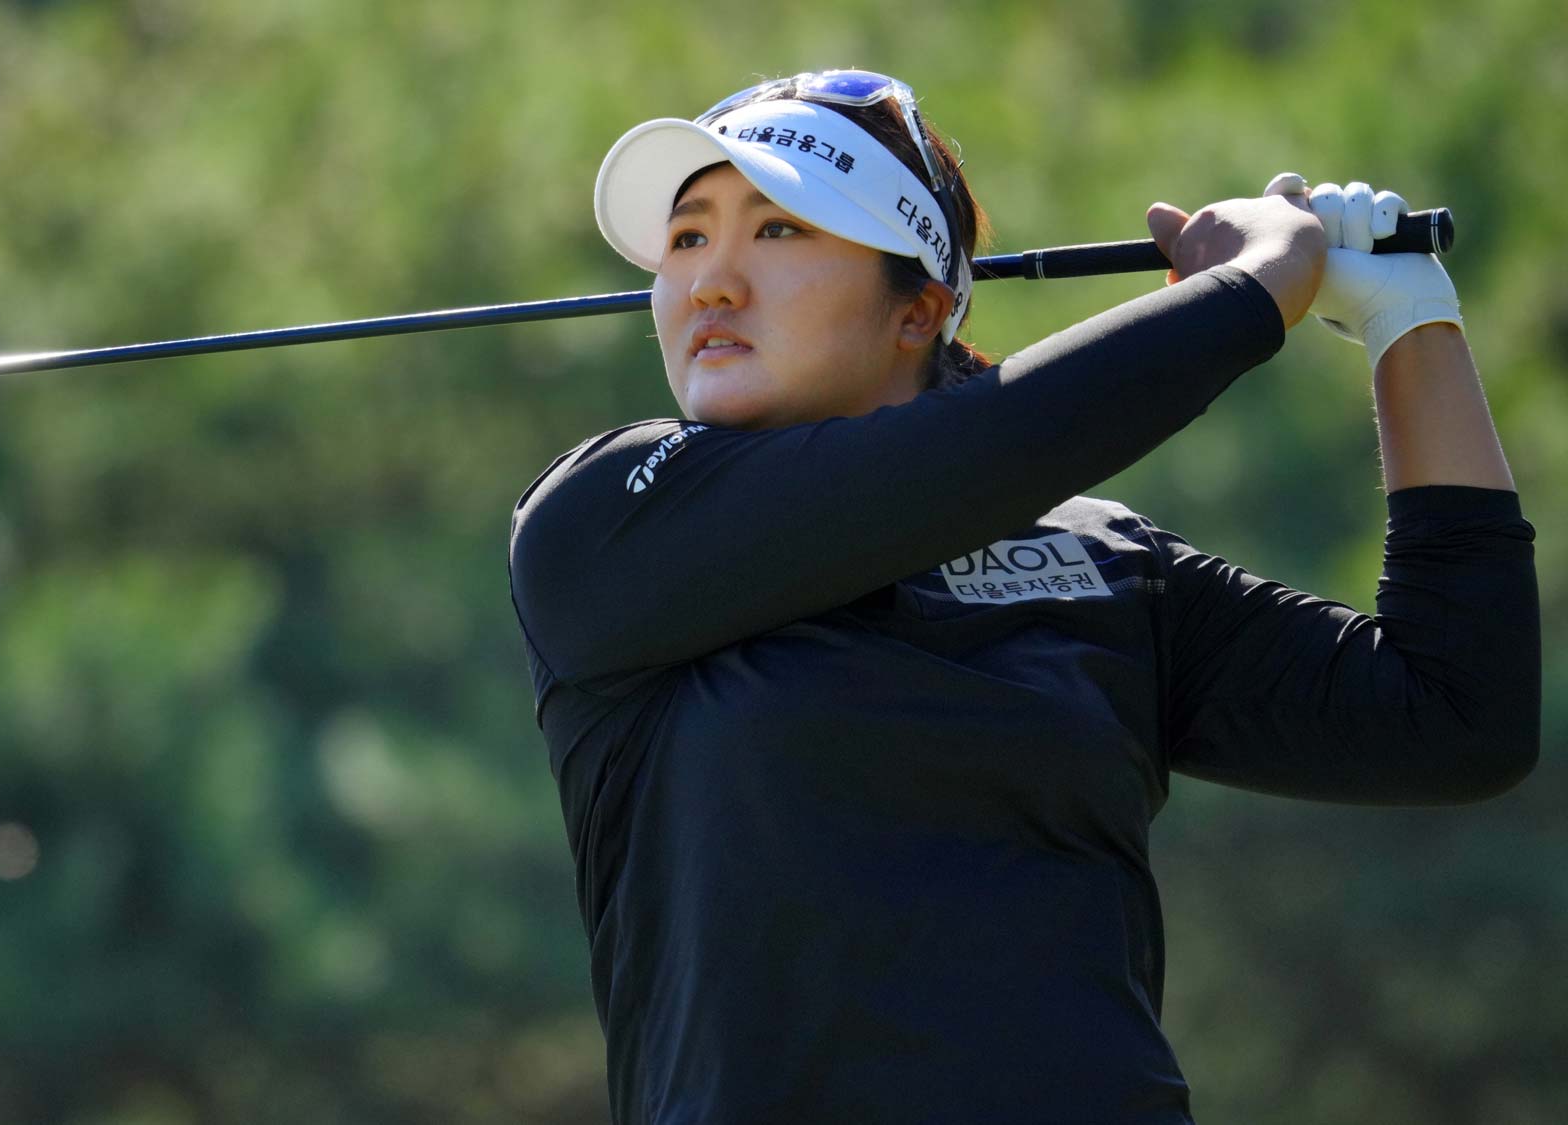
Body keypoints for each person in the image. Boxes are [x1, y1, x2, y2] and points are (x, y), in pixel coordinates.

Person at [505, 70, 1538, 1124]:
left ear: (916, 309)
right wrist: (1249, 290)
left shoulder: (1097, 560)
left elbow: (1452, 717)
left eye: (777, 232)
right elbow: (984, 447)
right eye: (686, 240)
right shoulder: (602, 526)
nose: (711, 283)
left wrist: (1412, 324)